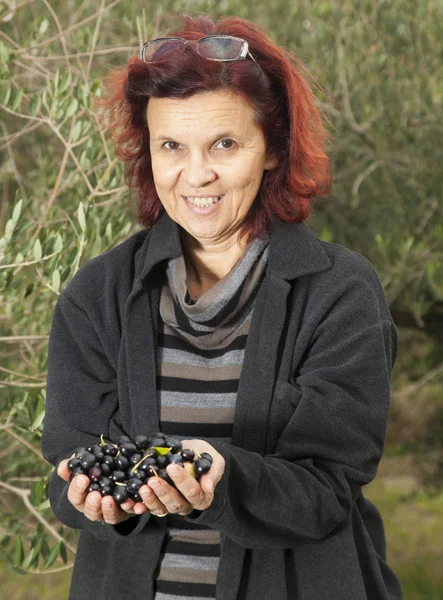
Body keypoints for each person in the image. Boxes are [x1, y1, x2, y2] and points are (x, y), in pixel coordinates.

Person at [41, 13, 404, 600]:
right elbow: (69, 469)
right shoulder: (96, 296)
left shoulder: (339, 292)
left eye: (225, 144)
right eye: (171, 146)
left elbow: (329, 489)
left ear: (271, 150)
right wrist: (93, 498)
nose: (196, 174)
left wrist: (222, 479)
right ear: (148, 153)